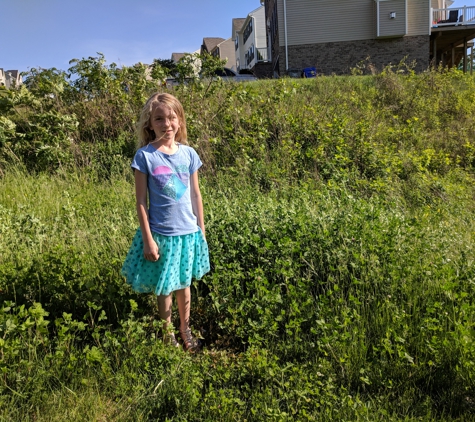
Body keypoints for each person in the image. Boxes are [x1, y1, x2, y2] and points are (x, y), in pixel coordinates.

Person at [121, 92, 210, 351]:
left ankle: (185, 329)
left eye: (172, 118)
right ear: (149, 124)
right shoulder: (145, 157)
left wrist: (201, 231)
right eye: (159, 119)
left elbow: (195, 194)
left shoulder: (189, 154)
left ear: (180, 121)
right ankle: (167, 332)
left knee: (185, 285)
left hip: (188, 233)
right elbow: (141, 202)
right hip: (162, 235)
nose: (166, 124)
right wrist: (148, 240)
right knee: (166, 288)